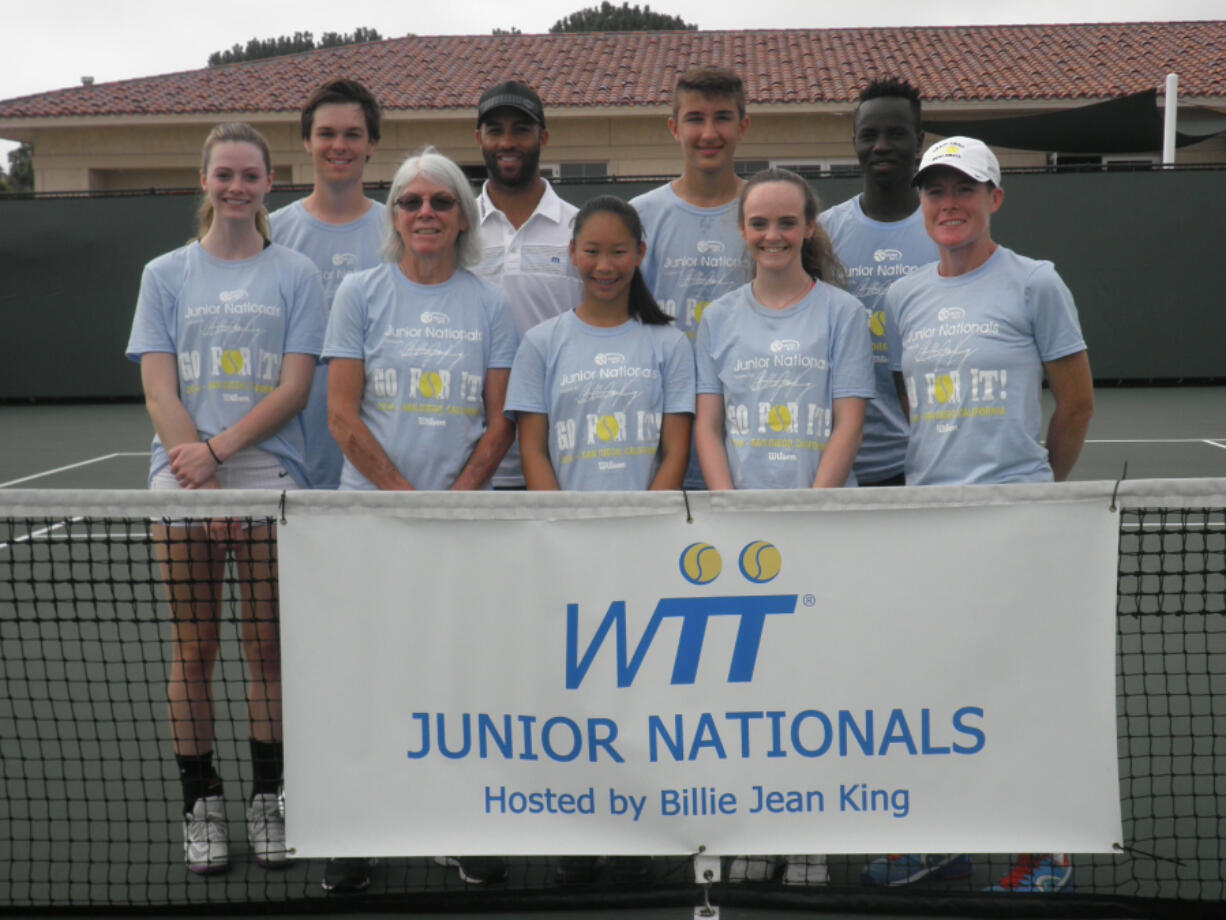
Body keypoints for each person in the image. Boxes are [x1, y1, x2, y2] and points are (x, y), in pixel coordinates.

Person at [884, 136, 1093, 893]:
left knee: (1022, 689)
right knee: (941, 688)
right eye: (935, 192)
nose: (948, 205)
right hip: (930, 524)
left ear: (994, 199)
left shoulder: (1036, 283)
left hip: (1019, 521)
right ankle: (945, 840)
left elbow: (1076, 404)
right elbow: (915, 406)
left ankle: (1047, 847)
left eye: (964, 191)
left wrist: (1034, 488)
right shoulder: (904, 297)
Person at [125, 122, 324, 875]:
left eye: (250, 176)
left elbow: (296, 387)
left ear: (268, 184)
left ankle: (267, 799)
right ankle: (200, 801)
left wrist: (222, 453)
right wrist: (196, 468)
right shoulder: (164, 274)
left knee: (267, 650)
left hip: (268, 476)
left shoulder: (297, 275)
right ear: (204, 183)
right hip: (181, 476)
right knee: (195, 647)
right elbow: (157, 385)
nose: (237, 187)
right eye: (224, 175)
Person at [321, 147, 517, 886]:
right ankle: (358, 832)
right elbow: (343, 418)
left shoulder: (490, 303)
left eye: (441, 202)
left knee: (458, 680)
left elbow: (500, 423)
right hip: (370, 524)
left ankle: (463, 825)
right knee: (369, 678)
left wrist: (456, 503)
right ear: (394, 216)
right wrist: (406, 504)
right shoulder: (360, 296)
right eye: (410, 203)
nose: (425, 214)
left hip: (465, 525)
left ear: (463, 216)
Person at [695, 168, 873, 885]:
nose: (772, 235)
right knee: (749, 696)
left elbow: (849, 420)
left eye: (786, 223)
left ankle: (809, 836)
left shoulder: (842, 314)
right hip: (739, 535)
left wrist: (811, 511)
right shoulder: (716, 318)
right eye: (759, 223)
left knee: (817, 690)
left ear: (808, 229)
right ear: (743, 230)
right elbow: (709, 427)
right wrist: (731, 507)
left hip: (823, 531)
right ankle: (753, 831)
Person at [507, 194, 694, 492]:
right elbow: (533, 451)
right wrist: (563, 525)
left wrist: (648, 524)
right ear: (572, 252)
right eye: (592, 251)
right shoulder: (539, 344)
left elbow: (676, 453)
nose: (604, 266)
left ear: (640, 253)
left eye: (619, 252)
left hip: (648, 529)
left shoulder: (672, 345)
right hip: (568, 530)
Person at [630, 66, 753, 489]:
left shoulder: (766, 215)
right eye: (695, 119)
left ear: (743, 126)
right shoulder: (641, 216)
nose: (709, 133)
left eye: (722, 117)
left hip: (750, 427)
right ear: (673, 128)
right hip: (661, 428)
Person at [819, 76, 938, 489]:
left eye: (896, 134)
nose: (881, 145)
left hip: (920, 462)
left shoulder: (945, 233)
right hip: (832, 463)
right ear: (854, 142)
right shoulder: (824, 233)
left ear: (918, 141)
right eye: (869, 135)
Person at [270, 78, 384, 493]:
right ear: (306, 142)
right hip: (290, 457)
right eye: (326, 134)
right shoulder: (270, 232)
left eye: (353, 134)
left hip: (378, 457)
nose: (340, 145)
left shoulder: (401, 231)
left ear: (372, 144)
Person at [469, 79, 583, 489]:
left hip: (559, 457)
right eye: (495, 130)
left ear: (543, 137)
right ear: (479, 137)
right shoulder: (455, 228)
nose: (507, 141)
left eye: (521, 129)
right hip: (470, 463)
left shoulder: (579, 229)